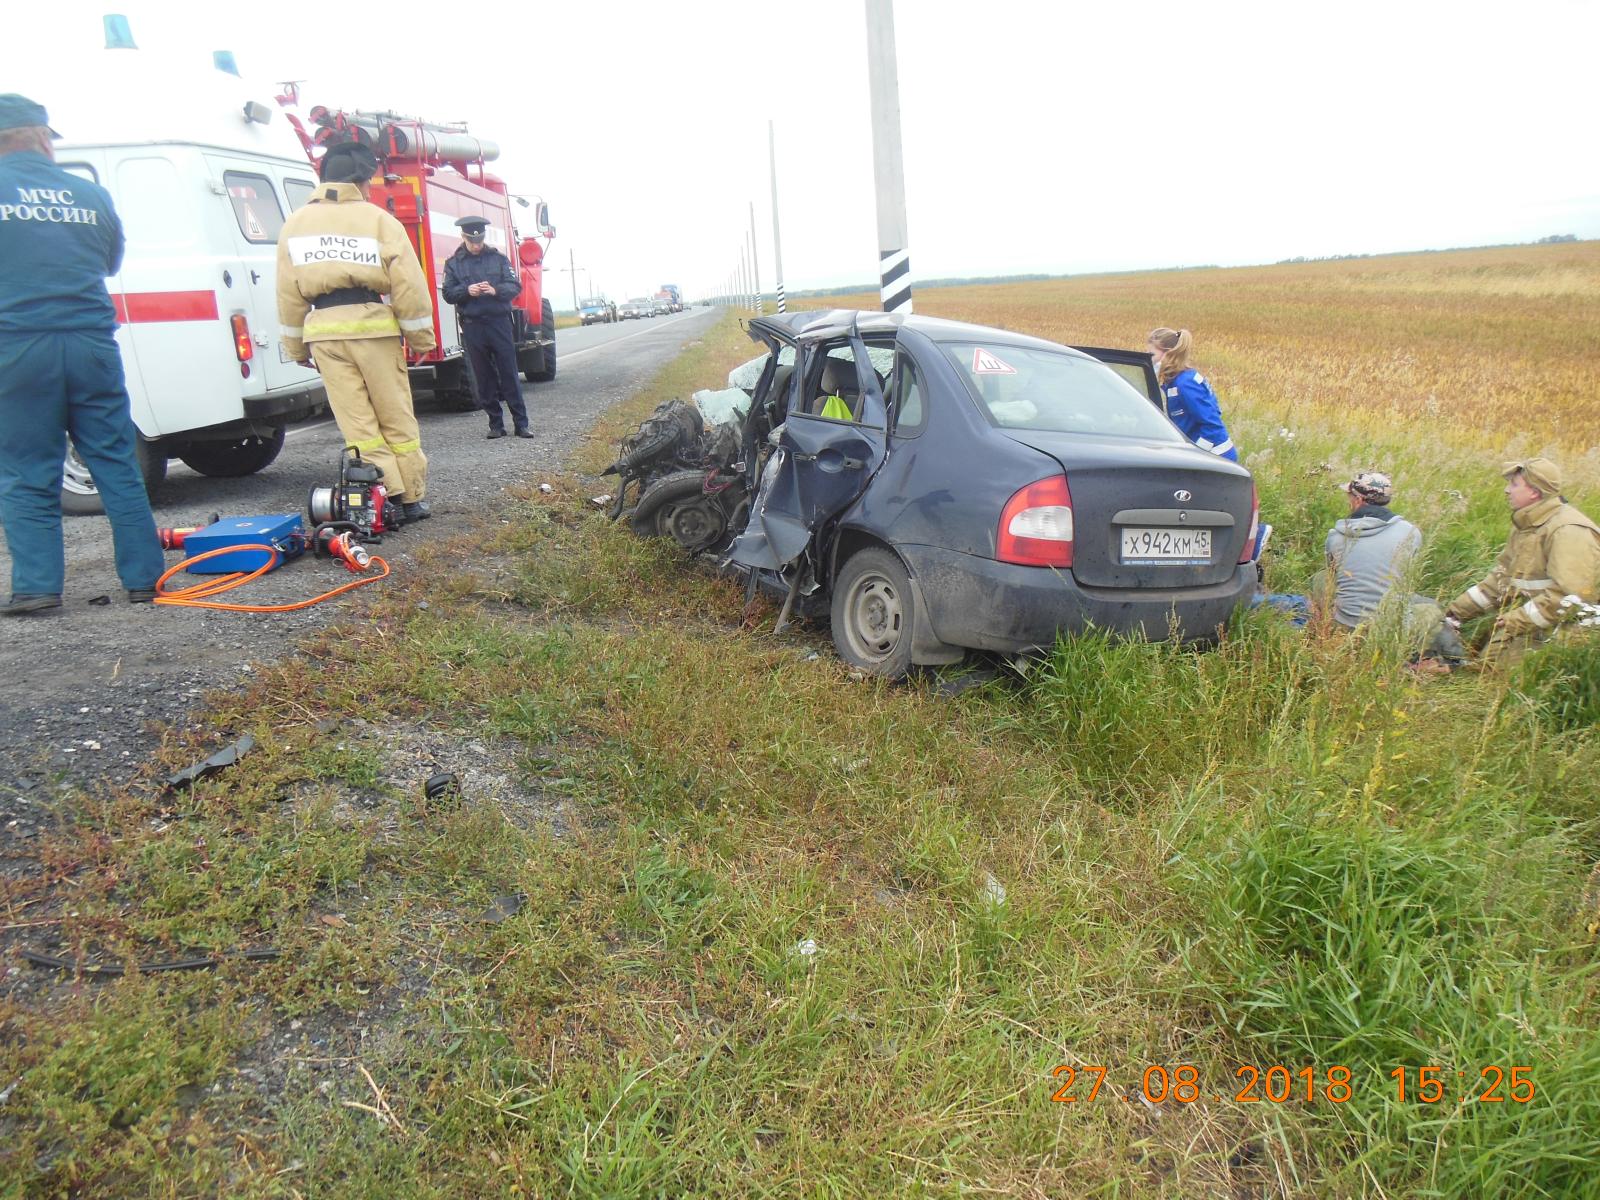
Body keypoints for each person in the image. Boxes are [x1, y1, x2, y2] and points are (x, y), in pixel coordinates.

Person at [0, 93, 164, 615]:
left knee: (28, 467)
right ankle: (144, 581)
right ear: (43, 138)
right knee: (115, 461)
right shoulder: (89, 193)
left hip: (18, 345)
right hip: (92, 343)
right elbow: (110, 261)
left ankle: (36, 589)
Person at [276, 141, 437, 520]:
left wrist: (296, 348)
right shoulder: (378, 220)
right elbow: (408, 285)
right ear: (364, 181)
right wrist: (420, 338)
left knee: (358, 425)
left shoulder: (294, 225)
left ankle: (387, 496)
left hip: (326, 336)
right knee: (395, 416)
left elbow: (287, 294)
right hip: (373, 329)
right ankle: (412, 498)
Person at [1445, 458, 1600, 666]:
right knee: (1483, 657)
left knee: (1503, 673)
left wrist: (1513, 620)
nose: (1507, 490)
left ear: (1535, 492)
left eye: (1514, 484)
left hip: (1576, 629)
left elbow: (1569, 597)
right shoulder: (1527, 525)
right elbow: (1500, 582)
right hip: (1543, 622)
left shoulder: (1569, 531)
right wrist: (1455, 614)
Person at [441, 216, 530, 440]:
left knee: (509, 374)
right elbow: (448, 294)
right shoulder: (453, 264)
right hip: (473, 326)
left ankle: (522, 424)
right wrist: (467, 291)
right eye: (472, 241)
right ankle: (496, 425)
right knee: (484, 377)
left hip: (498, 322)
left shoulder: (498, 259)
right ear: (463, 237)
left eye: (479, 240)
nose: (476, 244)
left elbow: (514, 286)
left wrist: (495, 291)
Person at [1148, 327, 1238, 461]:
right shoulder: (1173, 382)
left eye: (1152, 355)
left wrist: (1194, 454)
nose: (1151, 361)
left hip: (1216, 456)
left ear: (1168, 354)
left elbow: (1211, 425)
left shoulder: (1185, 383)